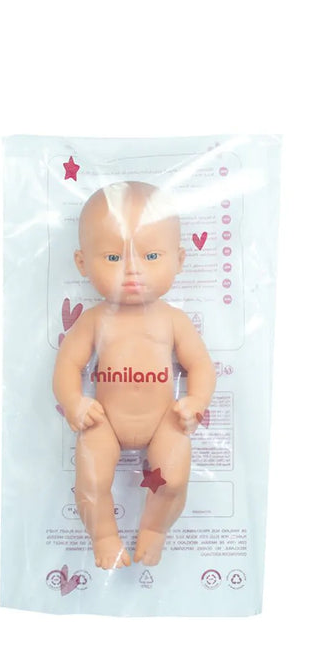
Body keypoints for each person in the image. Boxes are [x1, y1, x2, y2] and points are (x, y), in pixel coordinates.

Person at [53, 181, 216, 568]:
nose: (132, 270)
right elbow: (67, 365)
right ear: (82, 263)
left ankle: (155, 529)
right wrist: (74, 402)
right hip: (104, 422)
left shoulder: (173, 320)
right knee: (91, 480)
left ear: (179, 259)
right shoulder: (95, 320)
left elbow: (200, 365)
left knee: (173, 479)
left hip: (165, 421)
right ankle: (103, 535)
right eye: (112, 257)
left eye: (152, 255)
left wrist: (195, 401)